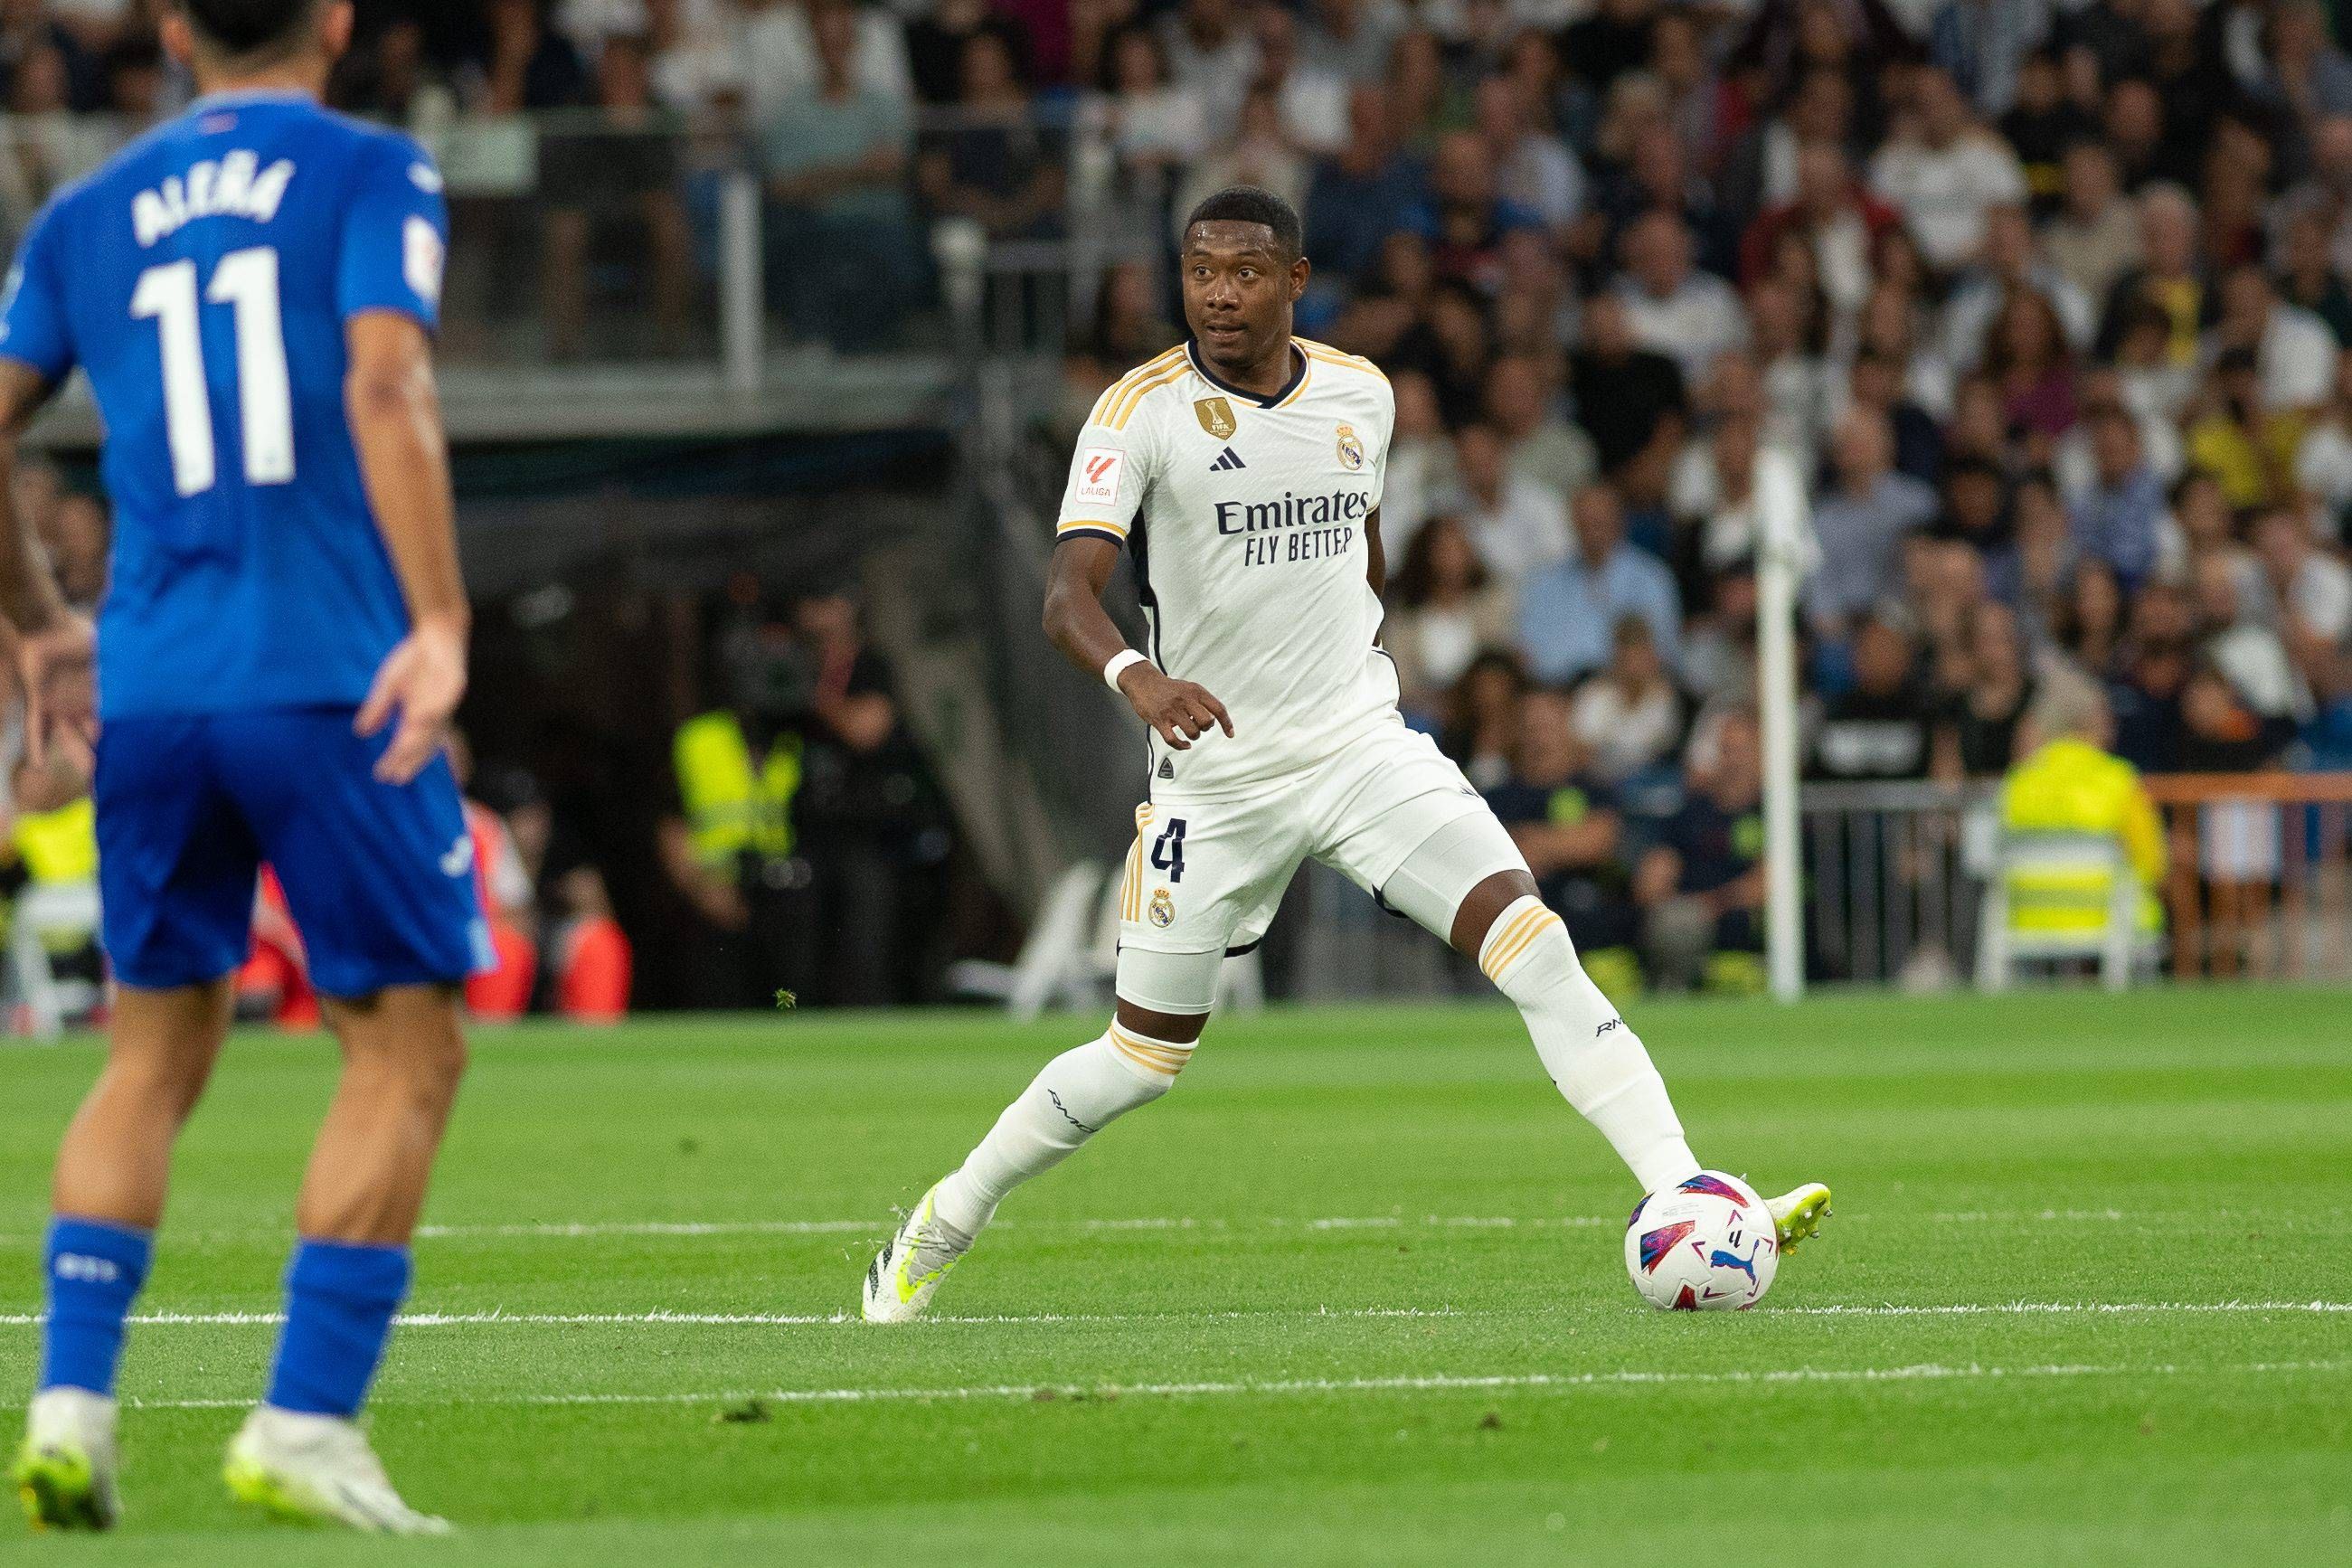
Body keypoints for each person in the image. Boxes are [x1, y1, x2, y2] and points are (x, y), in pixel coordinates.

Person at [859, 185, 1829, 1324]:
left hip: (1363, 750)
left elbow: (1361, 554)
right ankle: (946, 1219)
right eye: (1201, 271)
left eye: (1245, 272)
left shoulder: (1361, 397)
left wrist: (1355, 664)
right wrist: (1142, 679)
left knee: (1536, 945)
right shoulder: (1139, 411)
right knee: (1139, 1061)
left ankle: (1686, 1192)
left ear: (1295, 281)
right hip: (1216, 781)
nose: (1220, 294)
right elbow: (1066, 597)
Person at [2, 0, 477, 1534]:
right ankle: (304, 1421)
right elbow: (386, 382)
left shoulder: (85, 214)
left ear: (169, 26)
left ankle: (69, 1410)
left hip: (150, 687)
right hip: (329, 675)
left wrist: (36, 622)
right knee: (404, 1046)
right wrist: (445, 618)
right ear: (338, 18)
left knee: (150, 1053)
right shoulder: (371, 170)